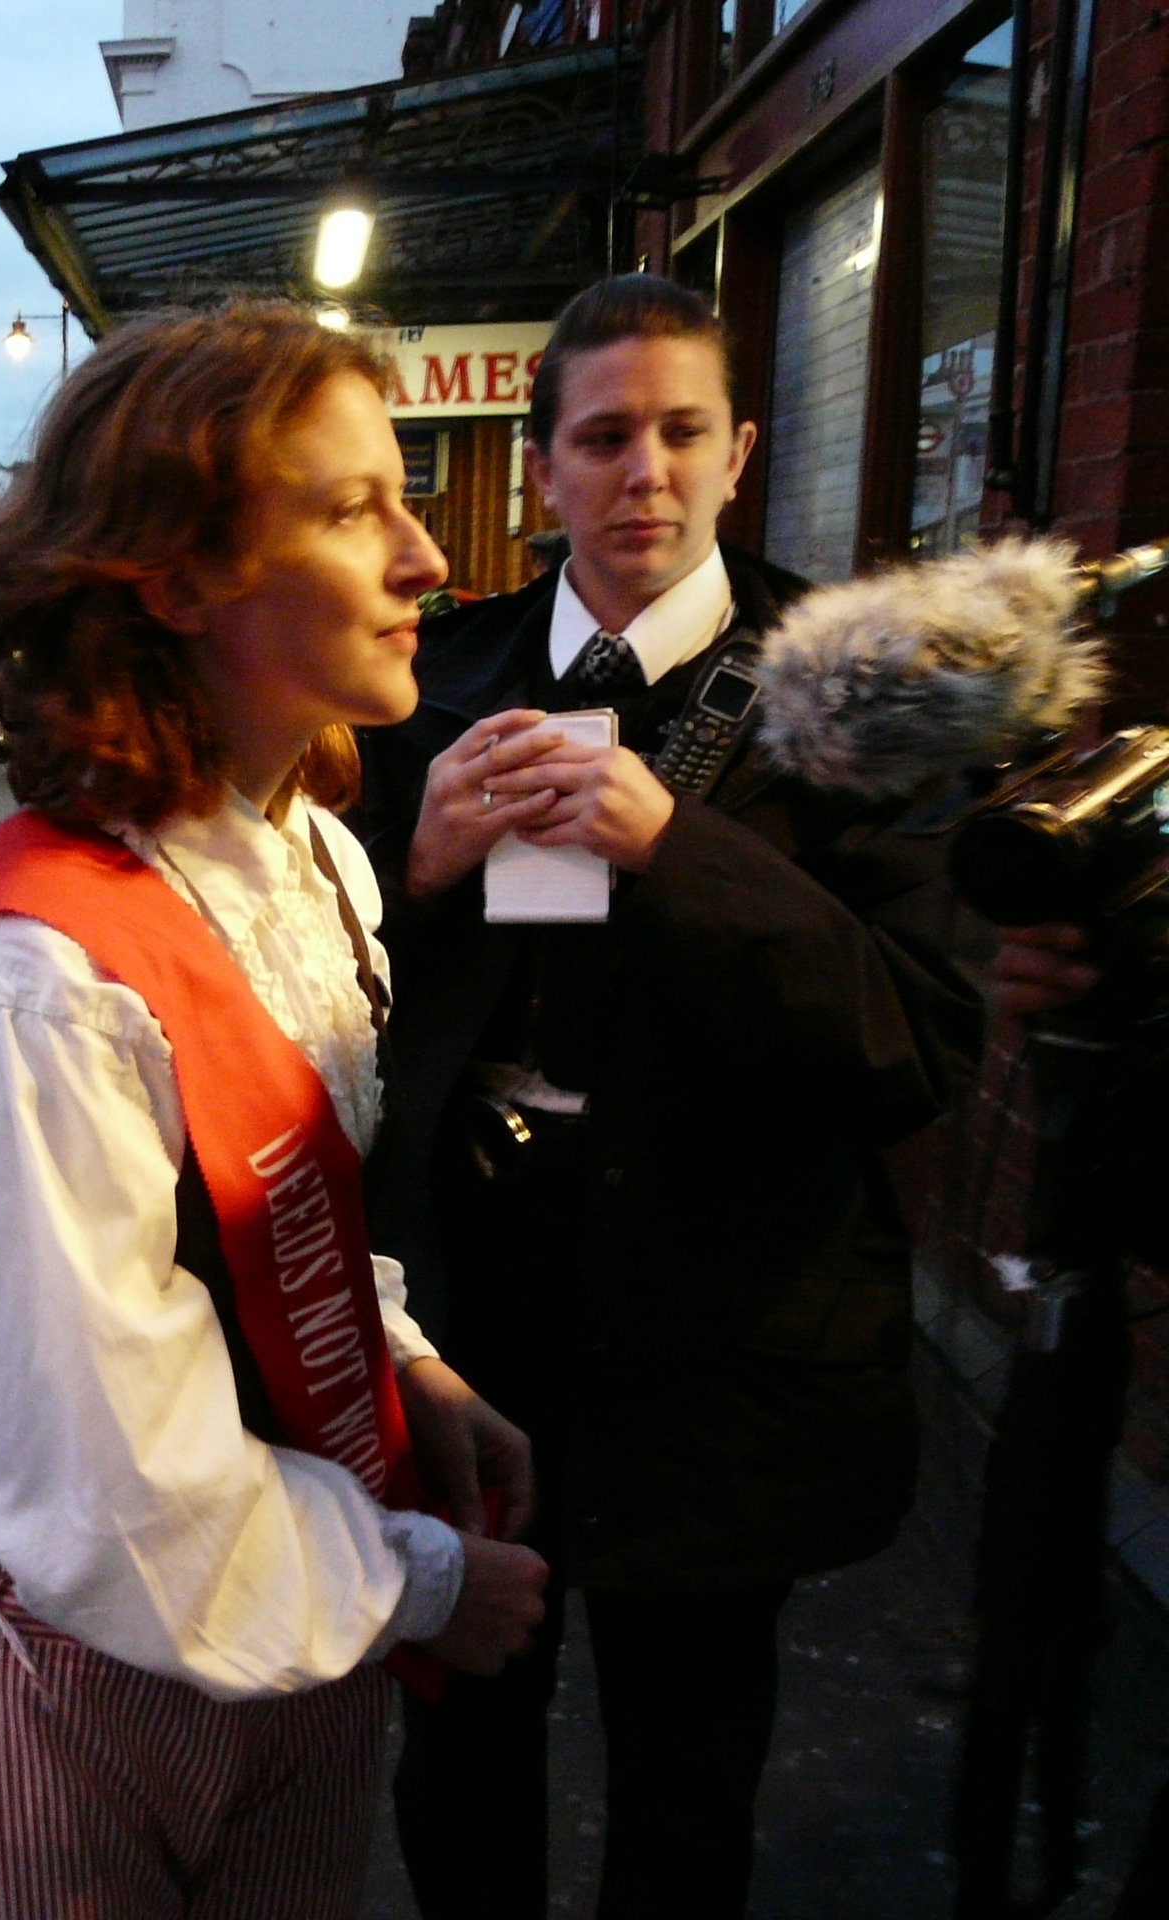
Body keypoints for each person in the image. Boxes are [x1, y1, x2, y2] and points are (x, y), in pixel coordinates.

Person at [0, 301, 550, 1918]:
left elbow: (275, 1201)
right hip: (71, 1674)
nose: (428, 556)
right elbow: (104, 1496)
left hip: (299, 1618)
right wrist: (430, 1583)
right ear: (173, 581)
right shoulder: (36, 986)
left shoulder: (312, 856)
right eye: (349, 507)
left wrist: (405, 1360)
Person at [354, 275, 979, 1918]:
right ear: (543, 461)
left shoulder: (855, 692)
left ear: (741, 451)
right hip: (479, 1308)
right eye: (605, 435)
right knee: (465, 1752)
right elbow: (315, 1001)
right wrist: (410, 875)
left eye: (682, 432)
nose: (646, 470)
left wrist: (675, 853)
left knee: (690, 1780)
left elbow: (915, 1045)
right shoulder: (431, 681)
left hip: (725, 1327)